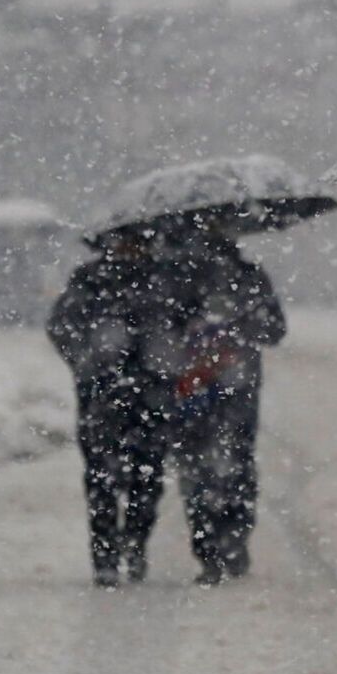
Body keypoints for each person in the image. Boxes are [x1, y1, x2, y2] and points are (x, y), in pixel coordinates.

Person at [47, 228, 183, 588]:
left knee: (148, 479)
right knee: (101, 480)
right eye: (123, 240)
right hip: (102, 398)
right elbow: (62, 327)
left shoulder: (165, 279)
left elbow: (183, 331)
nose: (130, 247)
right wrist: (89, 361)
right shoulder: (90, 280)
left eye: (137, 240)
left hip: (152, 397)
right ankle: (105, 556)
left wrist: (167, 362)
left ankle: (135, 543)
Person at [161, 223, 286, 586]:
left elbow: (273, 329)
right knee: (231, 466)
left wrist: (224, 332)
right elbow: (274, 329)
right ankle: (230, 542)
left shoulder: (180, 278)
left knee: (201, 468)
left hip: (207, 389)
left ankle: (212, 549)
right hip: (218, 388)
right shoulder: (245, 278)